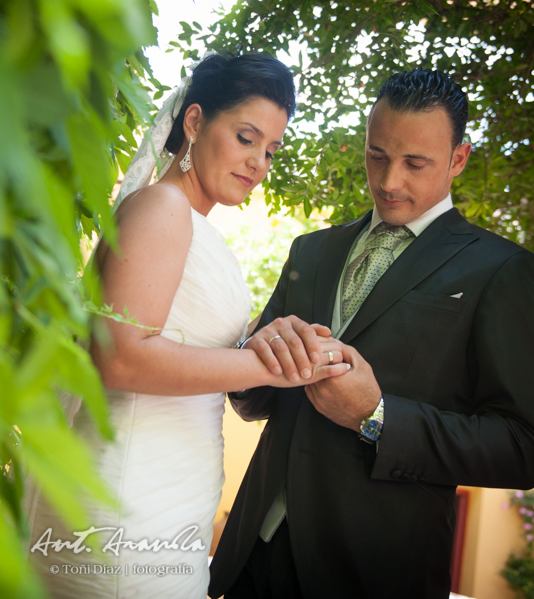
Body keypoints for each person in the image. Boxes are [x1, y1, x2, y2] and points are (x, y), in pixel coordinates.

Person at [208, 68, 534, 599]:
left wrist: (377, 416)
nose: (390, 181)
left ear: (458, 159)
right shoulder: (312, 250)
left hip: (374, 572)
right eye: (377, 156)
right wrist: (253, 355)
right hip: (253, 554)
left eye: (416, 163)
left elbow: (523, 449)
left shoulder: (502, 271)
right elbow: (254, 401)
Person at [25, 53, 351, 599]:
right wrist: (267, 366)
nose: (258, 162)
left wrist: (258, 339)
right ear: (195, 122)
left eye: (270, 150)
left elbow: (181, 342)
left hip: (167, 492)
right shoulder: (162, 209)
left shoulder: (187, 224)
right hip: (129, 499)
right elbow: (121, 356)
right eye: (246, 137)